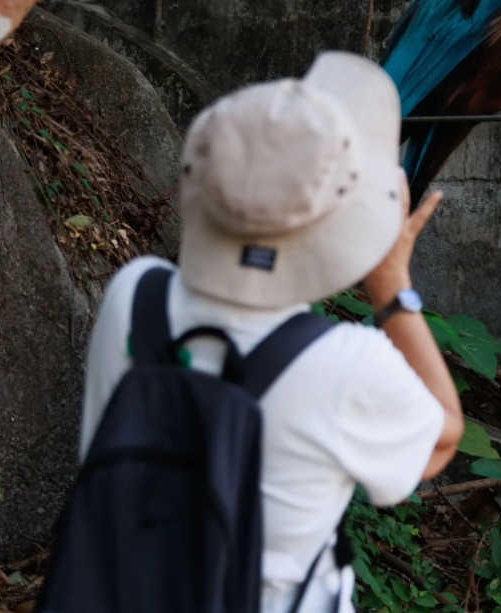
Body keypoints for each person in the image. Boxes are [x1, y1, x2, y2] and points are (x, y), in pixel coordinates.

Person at [78, 52, 463, 613]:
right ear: (341, 222)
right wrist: (390, 285)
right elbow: (444, 436)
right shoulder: (346, 366)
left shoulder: (133, 297)